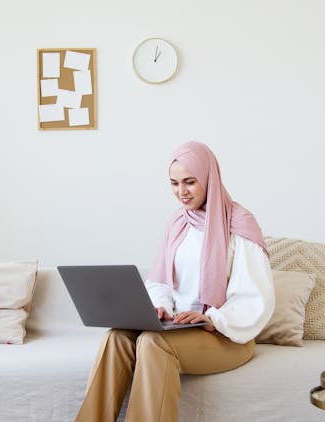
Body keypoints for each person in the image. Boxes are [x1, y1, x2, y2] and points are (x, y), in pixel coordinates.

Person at [75, 141, 275, 422]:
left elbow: (256, 298)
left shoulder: (239, 224)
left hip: (226, 336)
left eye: (190, 182)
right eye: (174, 183)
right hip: (177, 328)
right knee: (116, 337)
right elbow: (160, 281)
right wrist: (160, 307)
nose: (181, 192)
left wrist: (212, 319)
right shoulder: (178, 223)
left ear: (208, 178)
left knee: (153, 344)